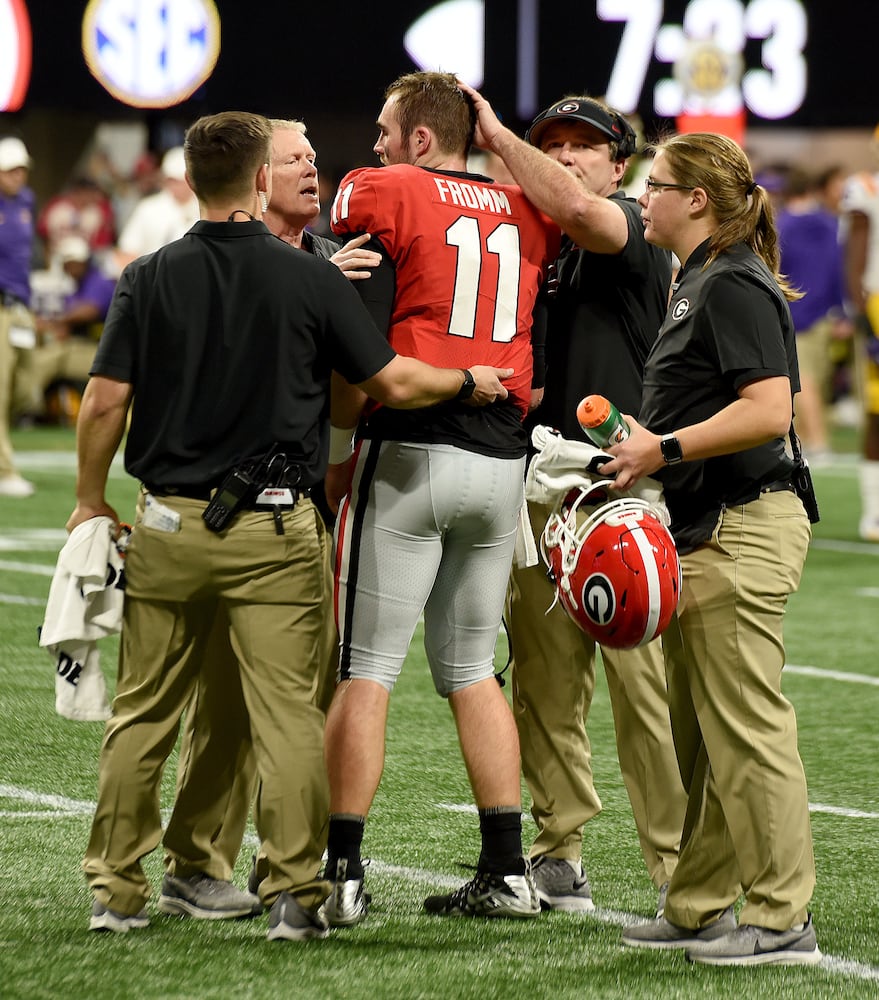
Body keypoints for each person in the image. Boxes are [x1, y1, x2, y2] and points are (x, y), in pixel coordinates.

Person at [70, 110, 513, 941]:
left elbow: (102, 403)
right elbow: (389, 379)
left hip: (166, 523)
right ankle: (293, 894)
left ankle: (115, 893)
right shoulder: (311, 278)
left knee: (141, 718)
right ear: (255, 178)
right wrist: (465, 382)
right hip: (273, 532)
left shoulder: (146, 275)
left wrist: (91, 499)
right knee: (288, 722)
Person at [321, 70, 560, 925]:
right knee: (470, 671)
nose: (376, 143)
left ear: (421, 138)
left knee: (365, 667)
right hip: (501, 460)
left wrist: (340, 449)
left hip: (413, 445)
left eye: (388, 129)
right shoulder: (528, 207)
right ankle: (509, 869)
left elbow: (356, 343)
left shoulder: (381, 190)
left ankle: (340, 871)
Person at [460, 85, 685, 914]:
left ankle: (676, 866)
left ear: (617, 165)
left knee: (645, 693)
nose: (561, 154)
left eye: (581, 144)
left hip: (619, 486)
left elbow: (583, 212)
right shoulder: (529, 242)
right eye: (548, 141)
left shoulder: (626, 226)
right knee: (546, 688)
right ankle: (558, 850)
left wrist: (496, 142)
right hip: (536, 486)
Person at [596, 132, 819, 966]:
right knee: (700, 730)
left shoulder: (730, 281)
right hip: (704, 525)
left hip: (743, 523)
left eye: (654, 186)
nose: (641, 198)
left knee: (745, 727)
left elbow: (769, 411)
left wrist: (663, 451)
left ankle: (780, 916)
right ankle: (697, 905)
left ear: (696, 201)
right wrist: (632, 455)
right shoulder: (696, 279)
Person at [159, 118, 383, 916]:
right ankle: (199, 858)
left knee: (302, 693)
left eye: (317, 159)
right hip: (233, 508)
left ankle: (280, 859)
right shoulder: (235, 266)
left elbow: (356, 389)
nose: (313, 171)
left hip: (314, 502)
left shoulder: (332, 263)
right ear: (258, 175)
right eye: (296, 160)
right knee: (225, 699)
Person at [776, 166, 851, 462]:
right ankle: (809, 440)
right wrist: (842, 311)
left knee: (800, 382)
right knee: (814, 381)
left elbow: (775, 272)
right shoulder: (831, 225)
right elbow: (840, 270)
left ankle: (815, 441)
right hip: (823, 314)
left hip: (791, 313)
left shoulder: (781, 226)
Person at [29, 234, 117, 424]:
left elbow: (89, 311)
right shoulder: (76, 287)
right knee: (48, 352)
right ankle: (36, 408)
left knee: (51, 357)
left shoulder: (98, 280)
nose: (68, 268)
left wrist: (56, 322)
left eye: (71, 263)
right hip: (88, 349)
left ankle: (28, 407)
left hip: (103, 353)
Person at [841, 129, 879, 542]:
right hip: (878, 304)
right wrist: (862, 315)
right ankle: (874, 512)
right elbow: (855, 254)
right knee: (877, 413)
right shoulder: (866, 187)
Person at [0, 135, 37, 498]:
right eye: (10, 170)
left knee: (27, 389)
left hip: (20, 306)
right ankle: (3, 469)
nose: (17, 176)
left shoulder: (26, 202)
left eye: (21, 169)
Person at [112, 146, 199, 270]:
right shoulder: (148, 209)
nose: (177, 185)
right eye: (172, 180)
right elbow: (127, 252)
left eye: (181, 180)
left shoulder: (205, 208)